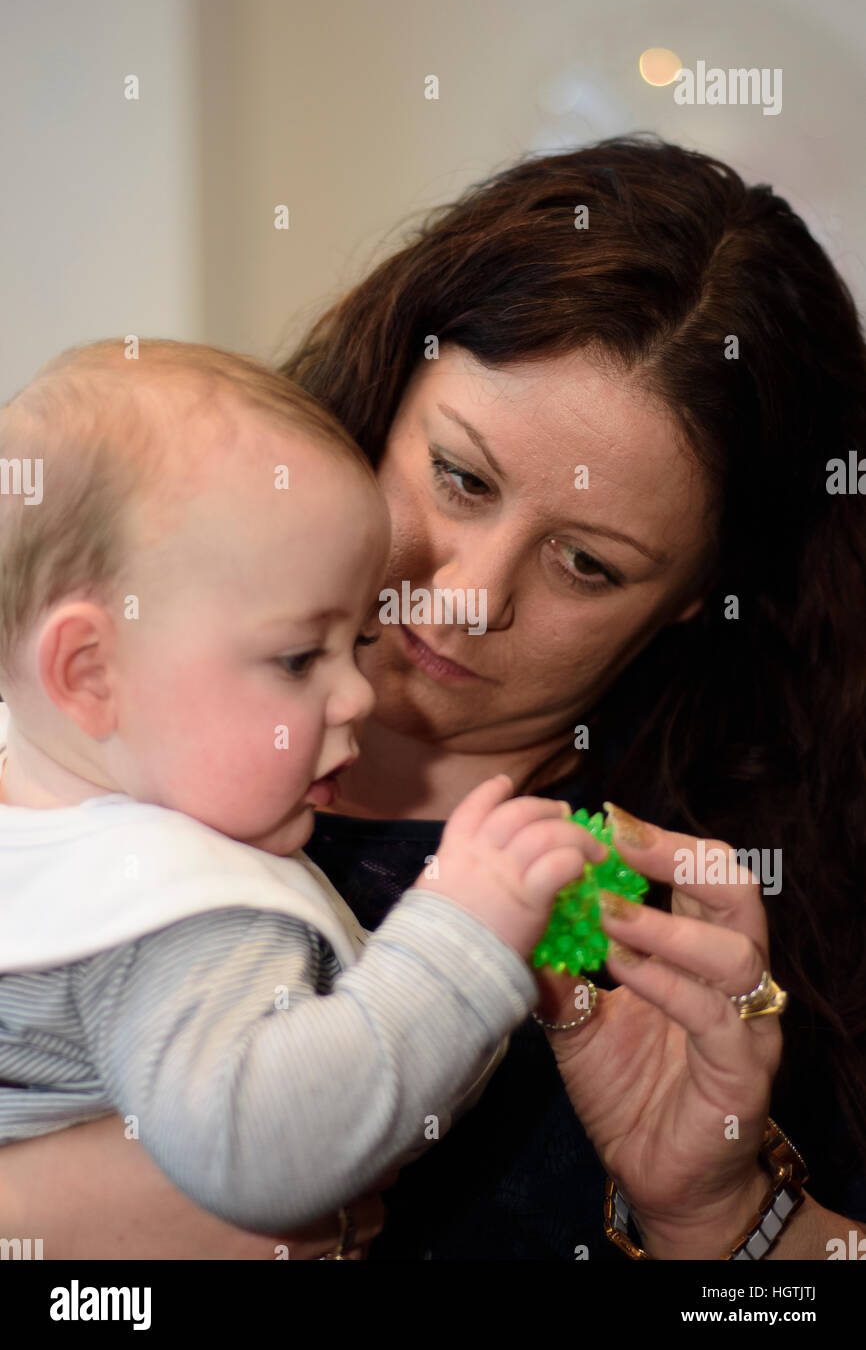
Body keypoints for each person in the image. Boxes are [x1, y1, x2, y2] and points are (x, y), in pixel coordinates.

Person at [2, 135, 864, 1260]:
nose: (462, 600)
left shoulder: (682, 918)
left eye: (585, 565)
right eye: (458, 476)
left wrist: (721, 1214)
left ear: (695, 599)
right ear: (386, 391)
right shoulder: (75, 726)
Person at [0, 339, 604, 1244]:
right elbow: (274, 1156)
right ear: (89, 672)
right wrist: (462, 939)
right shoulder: (185, 912)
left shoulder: (41, 811)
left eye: (357, 642)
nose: (356, 693)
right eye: (297, 657)